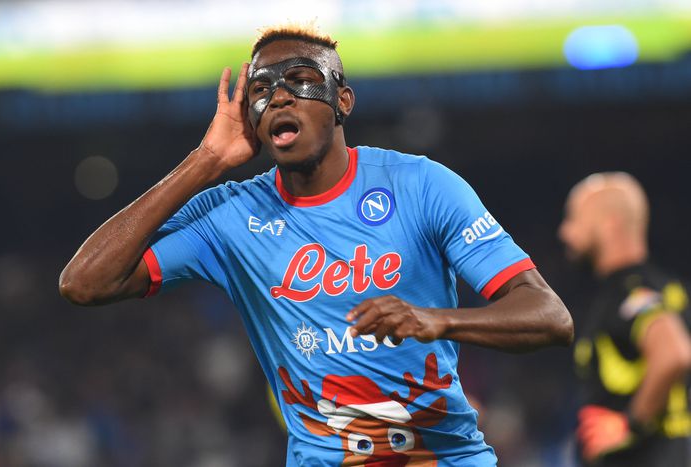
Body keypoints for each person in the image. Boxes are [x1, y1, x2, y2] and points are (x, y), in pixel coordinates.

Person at [60, 25, 573, 466]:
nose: (279, 97)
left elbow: (550, 317)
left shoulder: (421, 185)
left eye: (301, 80)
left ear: (342, 100)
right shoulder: (228, 216)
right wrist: (206, 160)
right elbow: (84, 284)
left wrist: (437, 320)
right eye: (261, 89)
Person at [560, 172, 691, 466]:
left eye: (574, 218)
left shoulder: (629, 292)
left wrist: (630, 425)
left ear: (610, 224)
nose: (565, 231)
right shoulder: (671, 289)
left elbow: (674, 353)